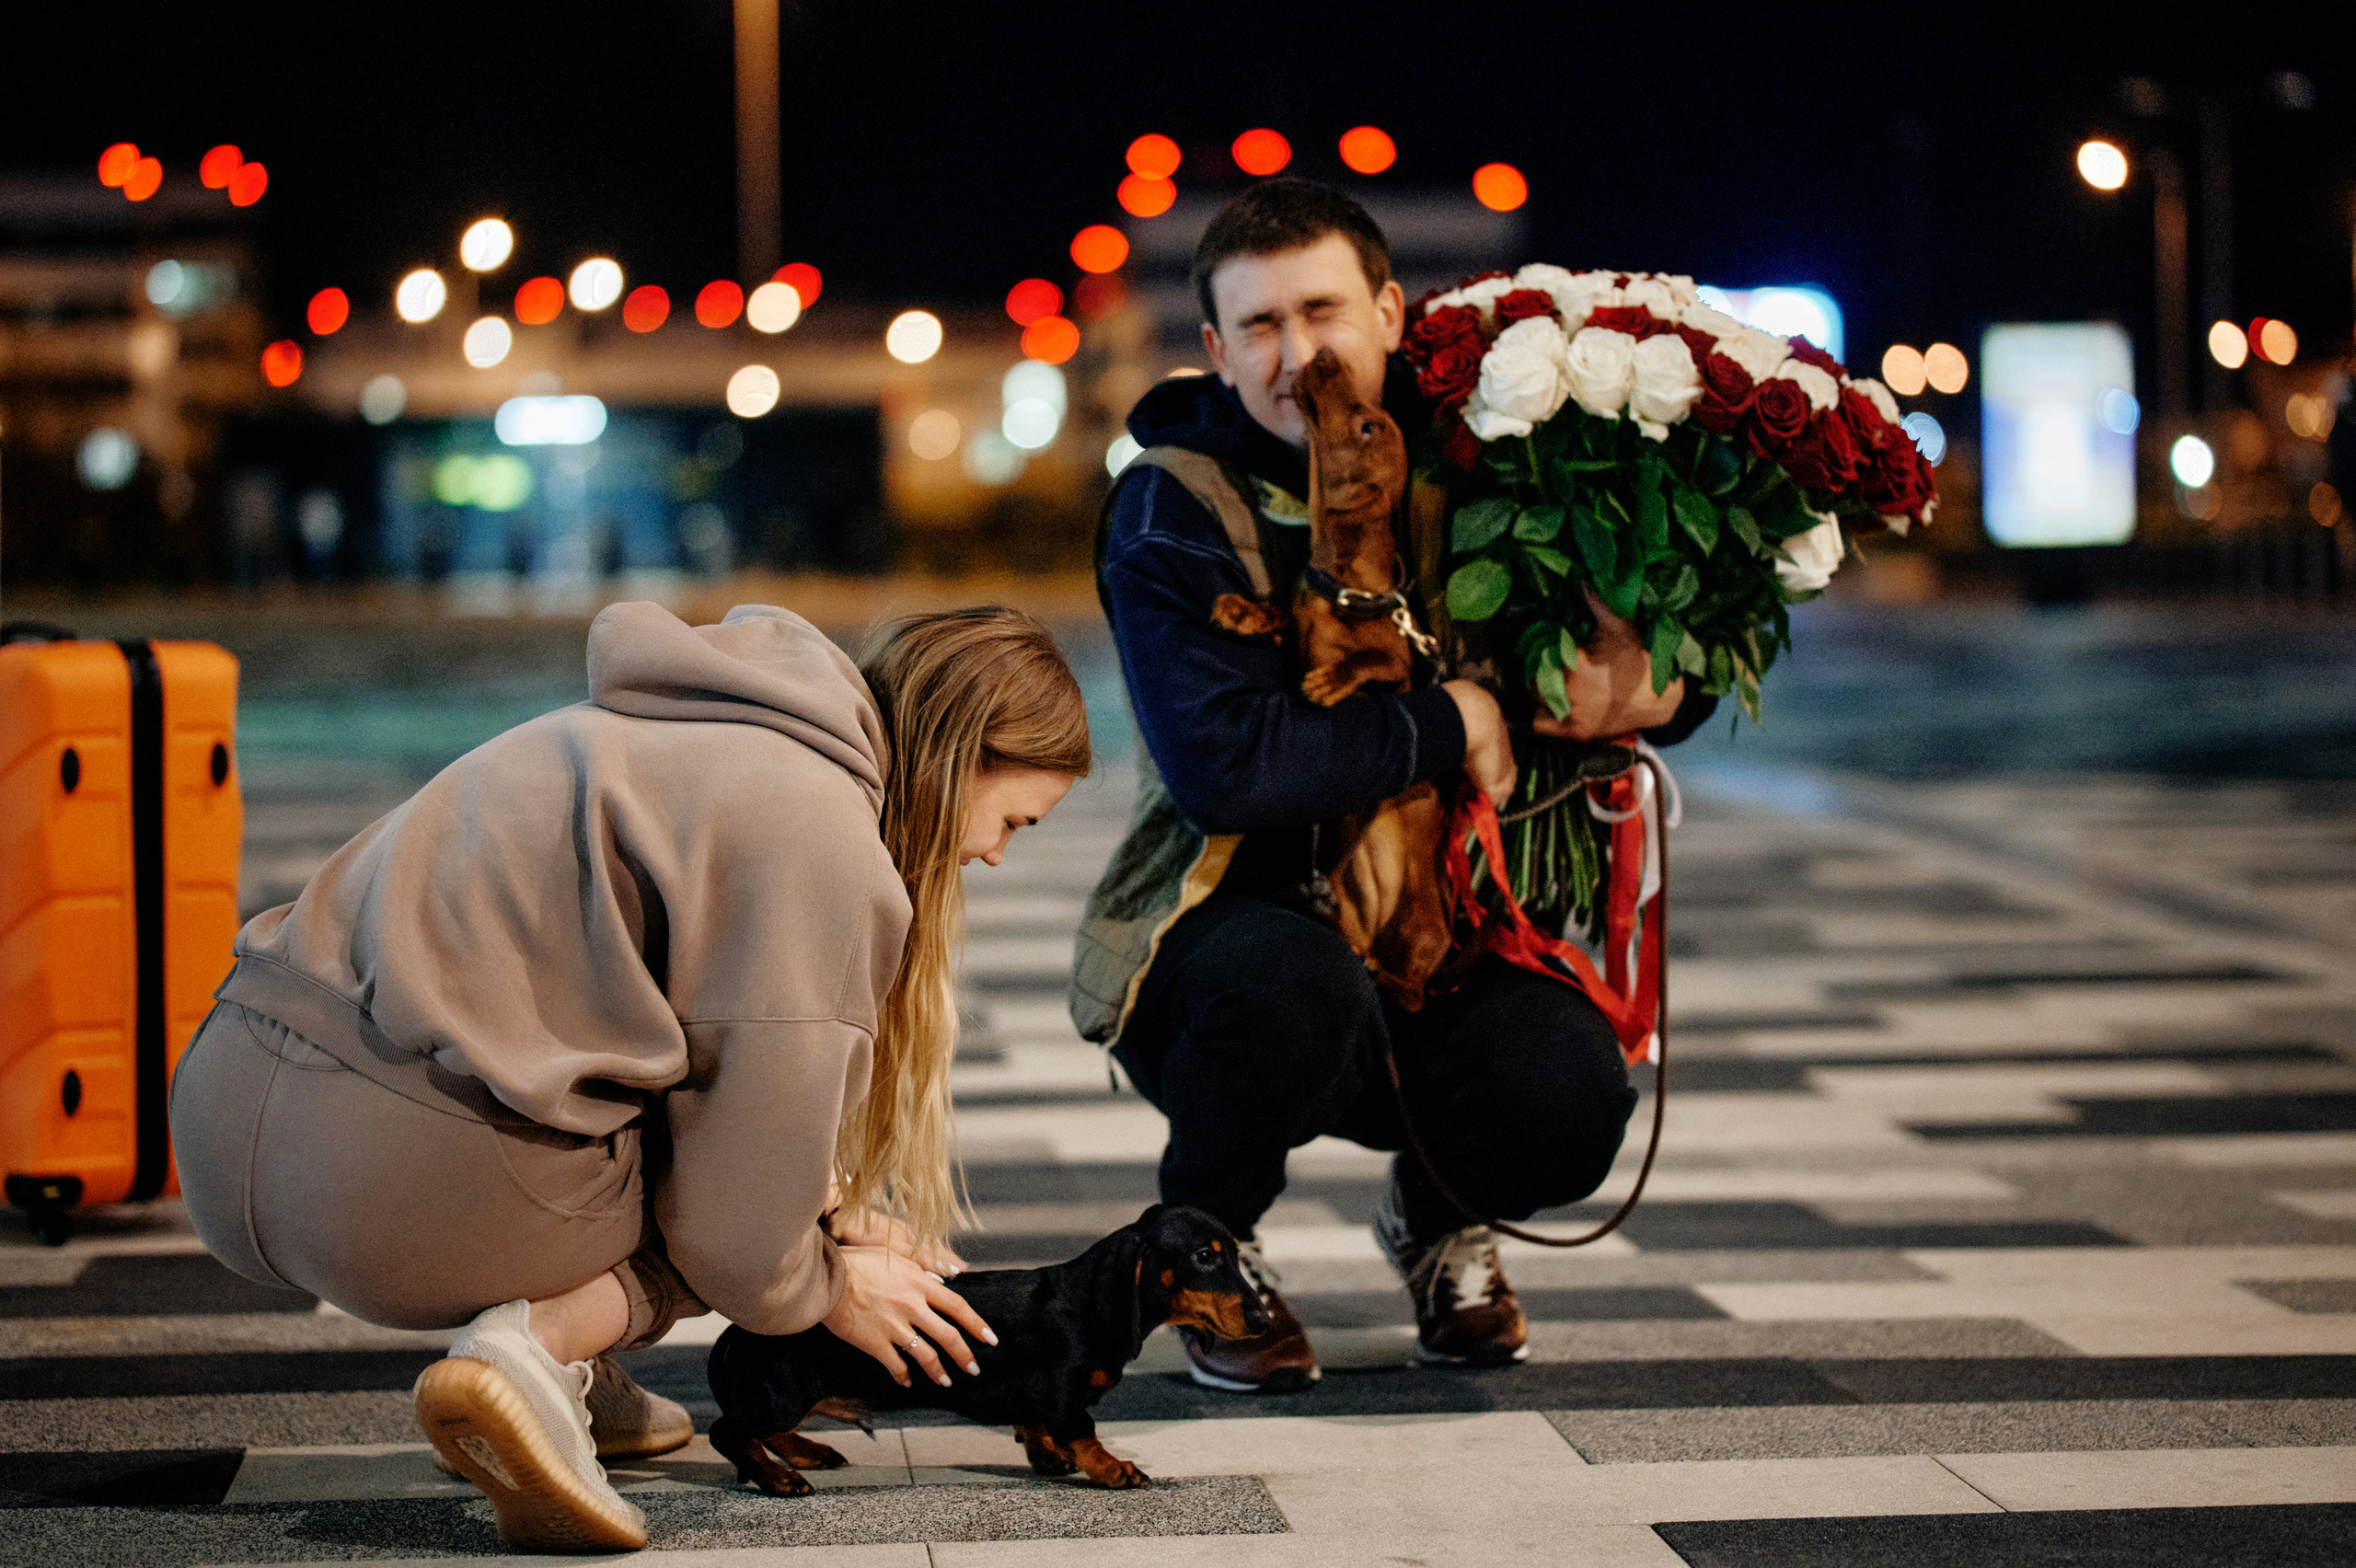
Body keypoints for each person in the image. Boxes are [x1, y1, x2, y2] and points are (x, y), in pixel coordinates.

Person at [173, 602, 1090, 1551]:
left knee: (719, 1145)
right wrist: (829, 1281)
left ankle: (569, 1359)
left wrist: (828, 1203)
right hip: (374, 1187)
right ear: (958, 759)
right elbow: (737, 1235)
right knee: (739, 1208)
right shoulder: (823, 839)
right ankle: (535, 1354)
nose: (993, 853)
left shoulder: (682, 721)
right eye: (1012, 820)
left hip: (226, 1112)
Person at [1070, 180, 1716, 1392]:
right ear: (1215, 347)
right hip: (1228, 936)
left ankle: (1437, 1218)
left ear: (1387, 312)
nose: (1297, 354)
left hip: (1443, 926)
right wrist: (1449, 718)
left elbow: (1619, 659)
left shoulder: (1483, 466)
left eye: (1322, 312)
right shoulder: (1173, 503)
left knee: (1566, 1090)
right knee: (1290, 989)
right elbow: (1228, 771)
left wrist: (1664, 686)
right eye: (1259, 325)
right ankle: (1203, 1246)